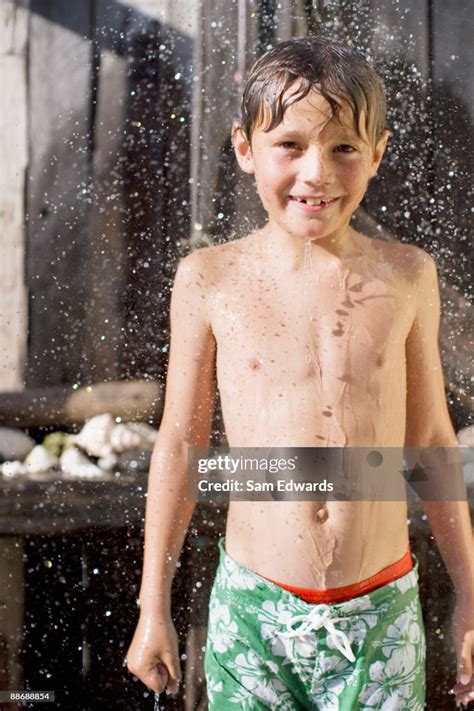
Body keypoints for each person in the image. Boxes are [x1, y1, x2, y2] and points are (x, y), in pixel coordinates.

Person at [126, 37, 474, 709]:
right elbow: (179, 447)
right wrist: (152, 606)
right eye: (290, 145)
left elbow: (430, 440)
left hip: (381, 613)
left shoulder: (406, 276)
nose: (317, 173)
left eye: (344, 147)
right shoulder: (210, 279)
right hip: (252, 615)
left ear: (376, 154)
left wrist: (469, 595)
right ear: (244, 148)